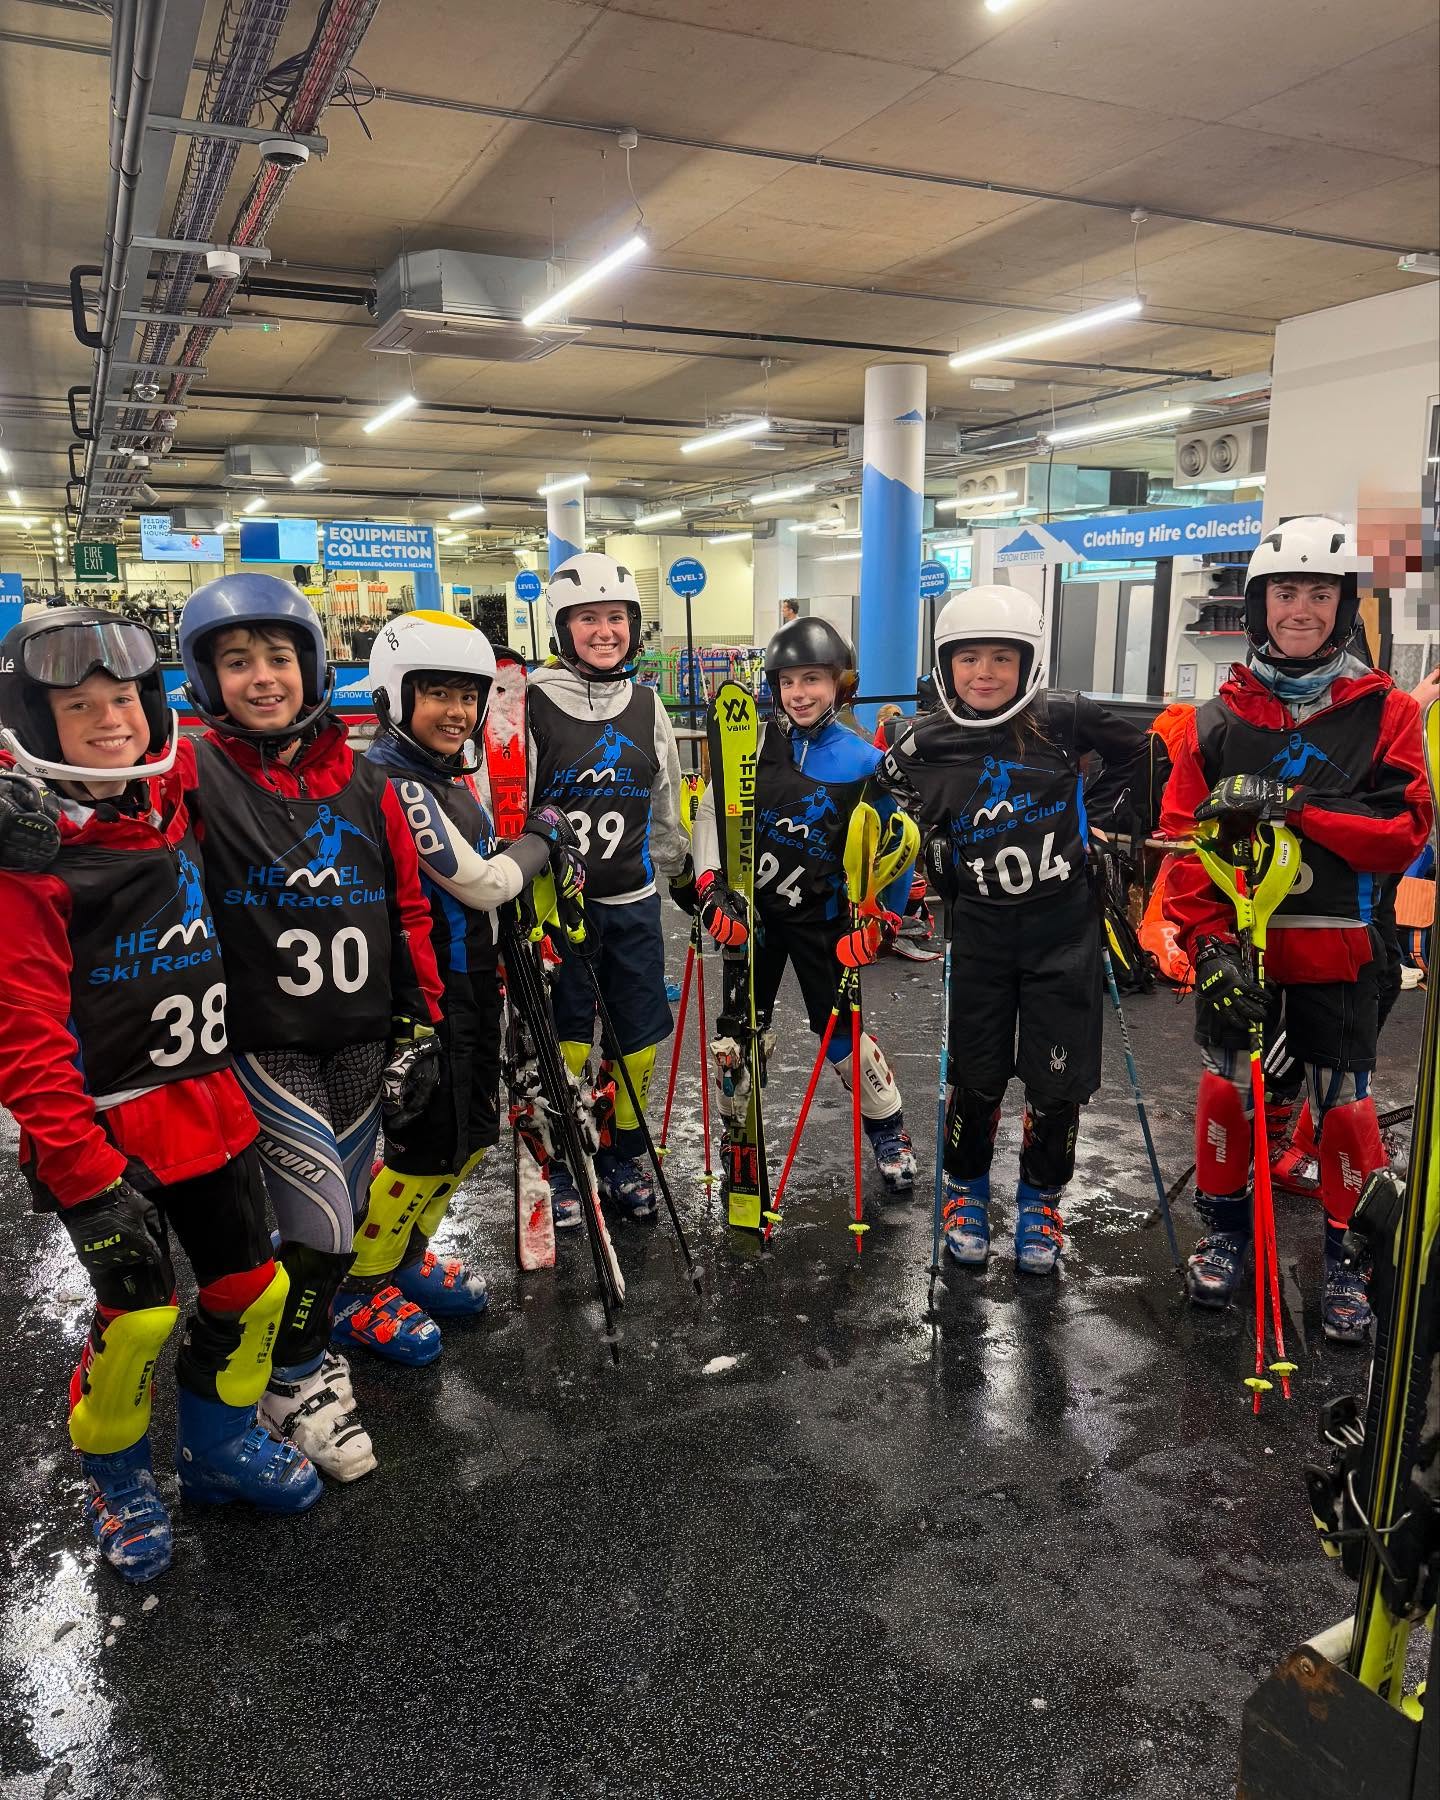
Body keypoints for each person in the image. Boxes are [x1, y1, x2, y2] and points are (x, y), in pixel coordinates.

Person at [0, 607, 320, 1583]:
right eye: (78, 706)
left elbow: (264, 741)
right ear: (36, 722)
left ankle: (218, 1449)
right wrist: (87, 1181)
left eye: (124, 699)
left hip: (211, 1108)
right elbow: (24, 1036)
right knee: (137, 1318)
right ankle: (116, 1473)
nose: (110, 720)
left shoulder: (171, 793)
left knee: (252, 1290)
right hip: (104, 1134)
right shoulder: (29, 860)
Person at [176, 575, 443, 1478]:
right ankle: (297, 1377)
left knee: (345, 1209)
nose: (262, 678)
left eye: (279, 658)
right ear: (207, 677)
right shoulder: (189, 769)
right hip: (264, 1042)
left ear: (312, 665)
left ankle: (301, 1348)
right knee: (326, 1224)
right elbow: (112, 816)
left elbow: (407, 912)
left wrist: (421, 1020)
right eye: (237, 660)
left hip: (361, 1037)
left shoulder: (368, 780)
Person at [1159, 517, 1432, 1340]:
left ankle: (1350, 1263)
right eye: (1286, 593)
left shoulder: (1384, 713)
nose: (1301, 609)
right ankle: (1226, 1236)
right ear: (1258, 604)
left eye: (1320, 593)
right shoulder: (1210, 723)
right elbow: (1181, 848)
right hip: (1241, 950)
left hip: (1339, 942)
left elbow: (1405, 831)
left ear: (1346, 605)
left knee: (1342, 1107)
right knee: (1228, 1094)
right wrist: (1207, 946)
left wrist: (1299, 807)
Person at [881, 585, 1145, 1275]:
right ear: (945, 665)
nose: (986, 673)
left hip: (1064, 933)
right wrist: (924, 845)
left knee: (1058, 1084)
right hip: (982, 936)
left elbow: (1146, 757)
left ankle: (1040, 1200)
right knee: (977, 1074)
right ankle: (965, 1191)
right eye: (968, 659)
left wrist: (1107, 821)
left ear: (1031, 661)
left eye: (1003, 657)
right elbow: (882, 806)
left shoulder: (1064, 718)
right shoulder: (921, 740)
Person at [359, 611, 587, 1315]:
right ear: (395, 695)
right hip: (427, 995)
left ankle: (404, 1258)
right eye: (438, 694)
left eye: (468, 696)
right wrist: (541, 839)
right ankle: (360, 1285)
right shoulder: (397, 782)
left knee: (464, 1142)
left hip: (471, 979)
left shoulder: (444, 775)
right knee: (426, 1148)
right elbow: (480, 881)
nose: (457, 712)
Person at [690, 617, 919, 1194]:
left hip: (825, 923)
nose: (799, 693)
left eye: (813, 679)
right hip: (756, 921)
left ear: (840, 684)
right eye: (788, 681)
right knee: (739, 1033)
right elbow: (714, 813)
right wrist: (710, 883)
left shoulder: (864, 762)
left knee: (842, 1034)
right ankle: (739, 1133)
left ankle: (889, 1130)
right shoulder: (755, 746)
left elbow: (898, 843)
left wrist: (882, 918)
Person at [524, 553, 689, 1221]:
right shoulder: (530, 701)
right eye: (587, 618)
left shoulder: (647, 705)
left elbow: (666, 802)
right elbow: (507, 806)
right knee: (562, 1039)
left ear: (633, 625)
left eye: (615, 617)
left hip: (630, 901)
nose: (603, 631)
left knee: (639, 1040)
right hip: (553, 909)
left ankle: (622, 1154)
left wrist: (681, 875)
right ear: (565, 629)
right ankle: (563, 1159)